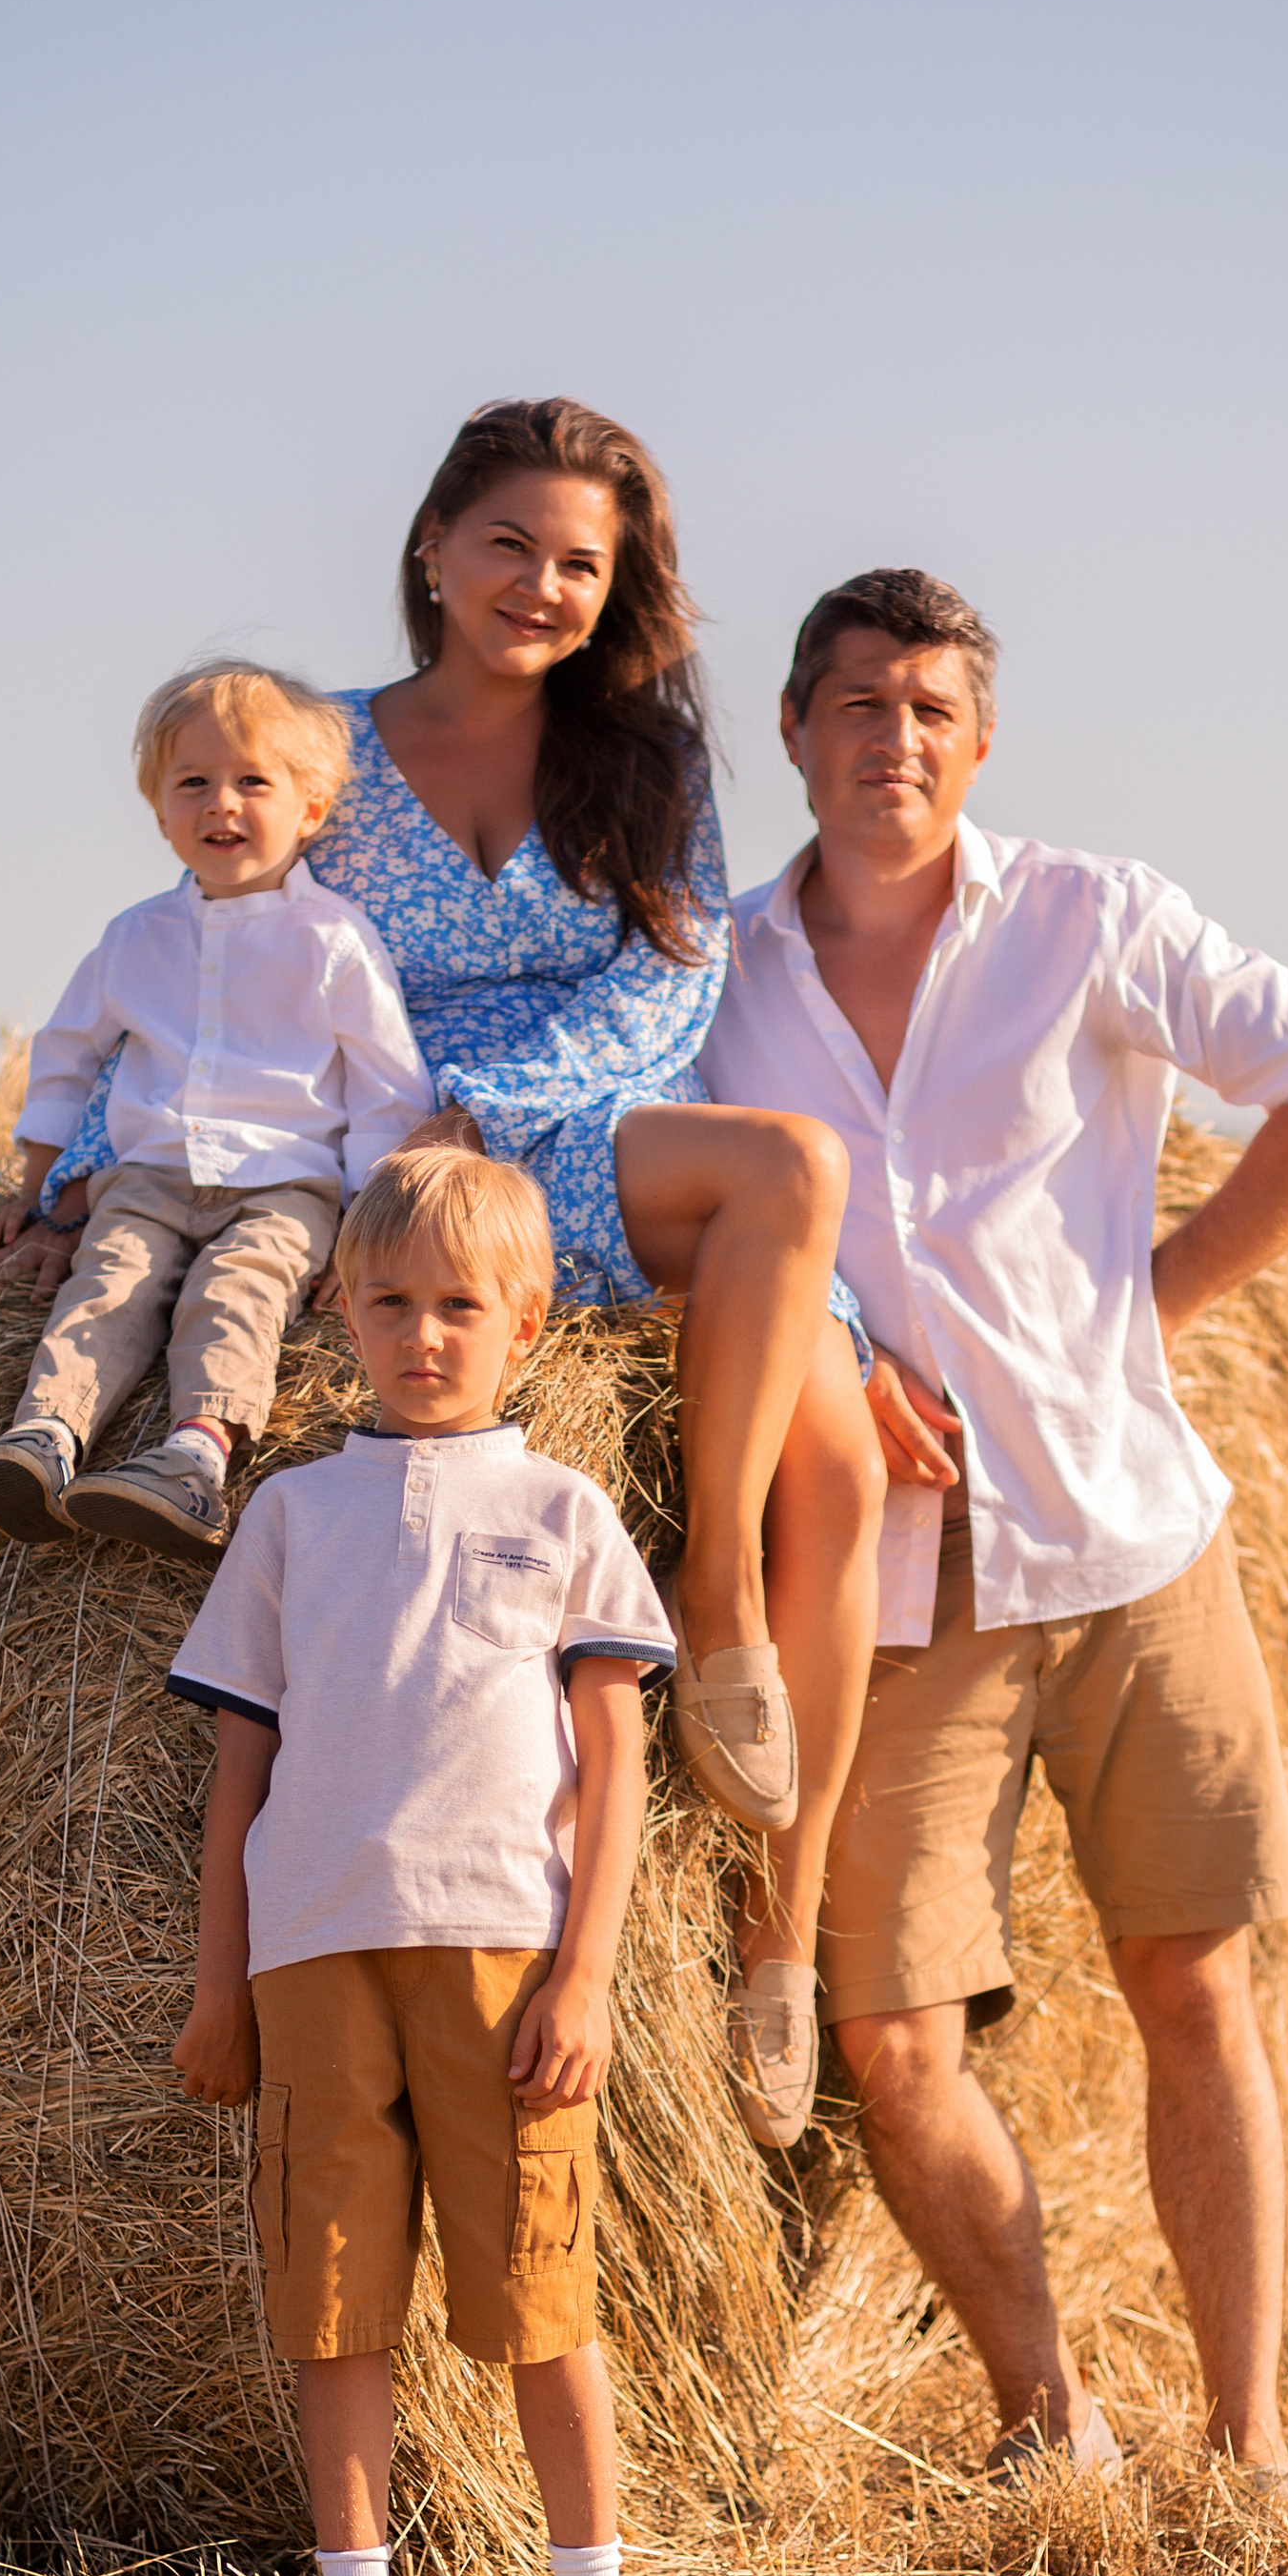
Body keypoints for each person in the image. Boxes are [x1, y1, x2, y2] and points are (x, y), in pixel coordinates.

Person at [701, 570, 1288, 2509]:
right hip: (889, 1580)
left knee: (1191, 1978)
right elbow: (666, 1212)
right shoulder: (718, 975)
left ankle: (1249, 2443)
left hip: (1126, 1536)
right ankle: (1050, 2418)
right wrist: (829, 1351)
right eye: (859, 702)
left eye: (932, 707)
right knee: (886, 2030)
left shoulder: (1091, 915)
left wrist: (1153, 1300)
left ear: (982, 738)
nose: (895, 737)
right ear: (792, 728)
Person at [300, 398, 898, 2148]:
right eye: (510, 544)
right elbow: (222, 951)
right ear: (433, 545)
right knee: (795, 1203)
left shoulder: (643, 762)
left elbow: (671, 989)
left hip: (591, 1141)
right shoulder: (319, 749)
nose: (541, 585)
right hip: (406, 1172)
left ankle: (776, 1921)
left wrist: (500, 1107)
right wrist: (77, 1170)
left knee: (840, 1457)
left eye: (582, 563)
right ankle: (720, 1613)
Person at [167, 1146, 674, 2576]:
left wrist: (588, 1975)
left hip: (504, 1947)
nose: (424, 1333)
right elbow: (239, 1773)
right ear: (340, 1311)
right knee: (332, 2293)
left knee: (538, 2274)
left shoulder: (562, 1510)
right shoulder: (290, 1516)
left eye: (460, 1304)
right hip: (313, 1950)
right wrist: (218, 1986)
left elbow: (617, 1765)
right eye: (389, 1301)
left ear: (527, 1322)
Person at [0, 663, 432, 1561]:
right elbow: (65, 1056)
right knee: (107, 1284)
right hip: (147, 1178)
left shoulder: (335, 940)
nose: (222, 802)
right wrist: (36, 1193)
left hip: (284, 1188)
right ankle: (46, 1437)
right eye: (193, 782)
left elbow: (387, 1092)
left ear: (312, 808)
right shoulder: (134, 937)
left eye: (253, 780)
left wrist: (367, 1235)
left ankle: (194, 1459)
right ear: (159, 811)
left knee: (235, 1294)